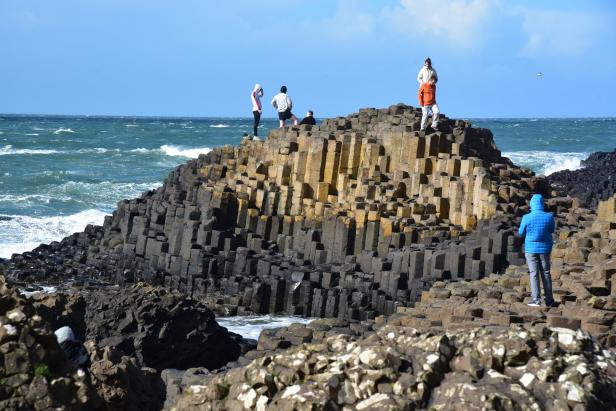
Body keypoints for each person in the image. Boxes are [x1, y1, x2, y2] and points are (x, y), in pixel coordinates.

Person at [519, 194, 555, 307]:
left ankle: (536, 299)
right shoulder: (549, 217)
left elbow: (520, 233)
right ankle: (549, 300)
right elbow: (552, 230)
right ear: (542, 204)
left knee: (534, 274)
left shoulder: (526, 217)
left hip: (530, 249)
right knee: (546, 273)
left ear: (532, 205)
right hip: (545, 249)